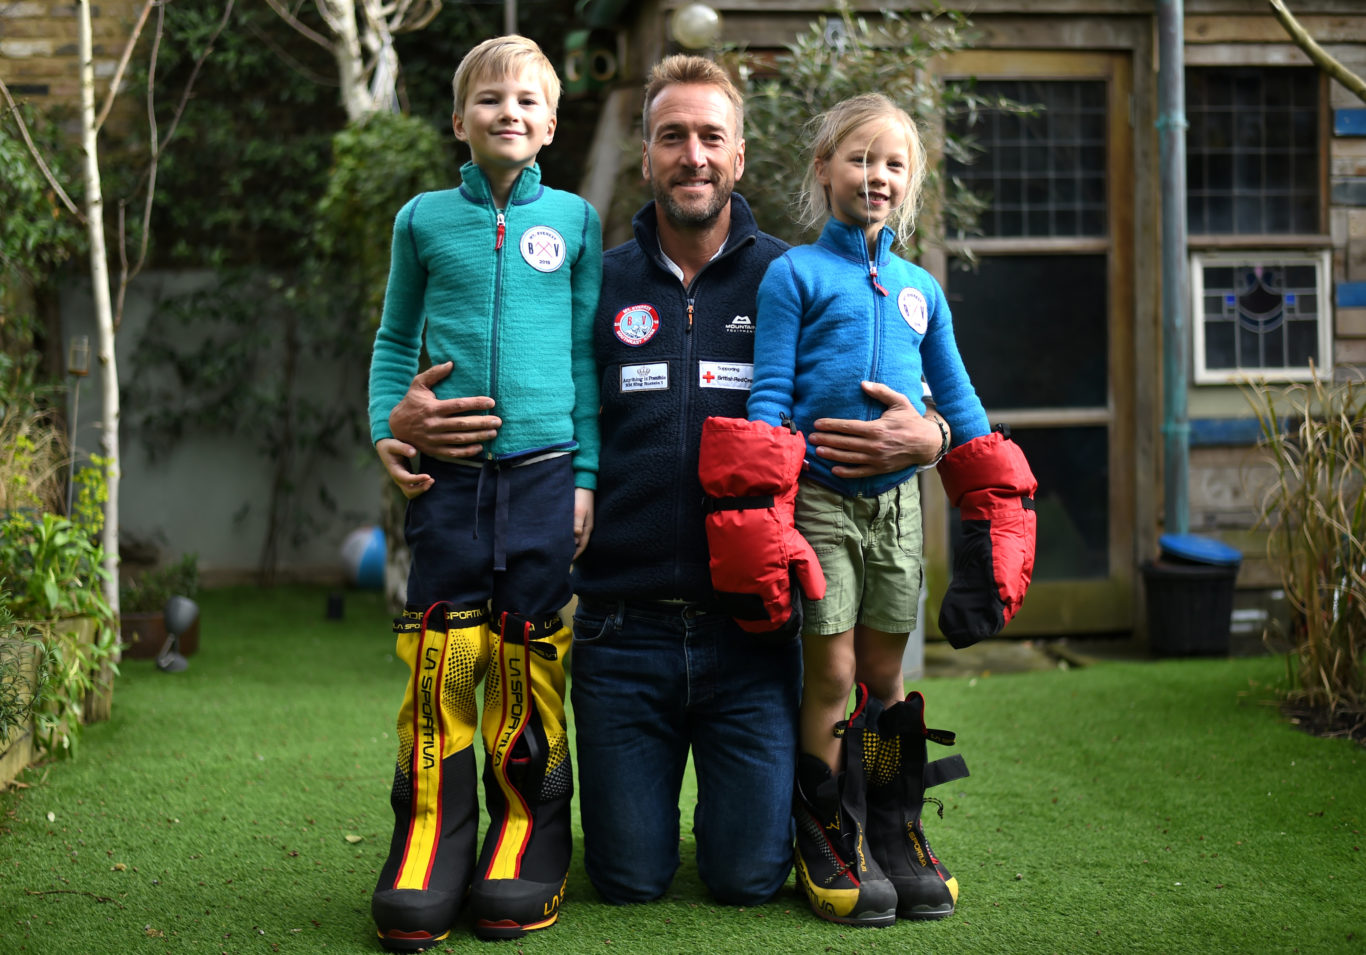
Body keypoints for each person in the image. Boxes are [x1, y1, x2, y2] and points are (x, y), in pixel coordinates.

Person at [377, 56, 948, 911]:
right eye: (673, 137)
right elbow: (519, 376)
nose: (693, 156)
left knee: (748, 875)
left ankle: (875, 819)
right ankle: (479, 833)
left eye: (711, 137)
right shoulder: (594, 278)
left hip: (752, 640)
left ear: (740, 156)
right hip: (623, 636)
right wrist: (401, 417)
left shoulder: (794, 278)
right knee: (629, 879)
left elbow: (921, 382)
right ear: (645, 156)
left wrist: (932, 435)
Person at [365, 35, 601, 950]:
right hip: (450, 481)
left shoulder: (577, 222)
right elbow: (393, 343)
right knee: (444, 651)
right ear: (458, 121)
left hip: (545, 477)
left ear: (550, 125)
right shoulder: (422, 220)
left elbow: (588, 358)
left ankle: (525, 833)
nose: (510, 113)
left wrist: (584, 479)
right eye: (490, 100)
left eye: (528, 102)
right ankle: (429, 829)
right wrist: (391, 425)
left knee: (528, 648)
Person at [747, 93, 987, 926]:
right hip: (818, 500)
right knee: (835, 673)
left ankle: (893, 827)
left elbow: (955, 397)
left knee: (887, 677)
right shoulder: (795, 275)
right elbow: (770, 396)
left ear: (911, 181)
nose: (875, 176)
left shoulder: (921, 288)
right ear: (824, 169)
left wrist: (994, 501)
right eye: (858, 158)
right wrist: (764, 506)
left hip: (898, 510)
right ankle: (826, 829)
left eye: (894, 164)